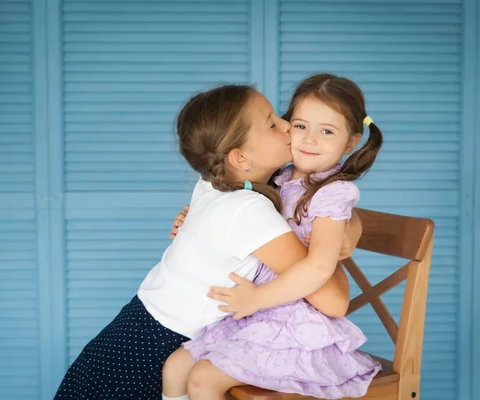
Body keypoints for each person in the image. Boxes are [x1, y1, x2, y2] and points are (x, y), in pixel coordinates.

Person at [54, 83, 362, 400]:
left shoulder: (212, 185)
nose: (287, 126)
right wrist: (329, 247)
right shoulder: (249, 209)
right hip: (161, 348)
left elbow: (326, 204)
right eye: (273, 123)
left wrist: (345, 229)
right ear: (240, 157)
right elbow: (334, 301)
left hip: (131, 330)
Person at [162, 73, 384, 400]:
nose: (309, 140)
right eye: (300, 125)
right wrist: (194, 217)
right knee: (176, 367)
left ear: (350, 142)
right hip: (259, 311)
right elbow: (234, 202)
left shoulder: (332, 194)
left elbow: (320, 268)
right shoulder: (280, 175)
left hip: (292, 318)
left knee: (202, 380)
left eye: (326, 131)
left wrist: (256, 300)